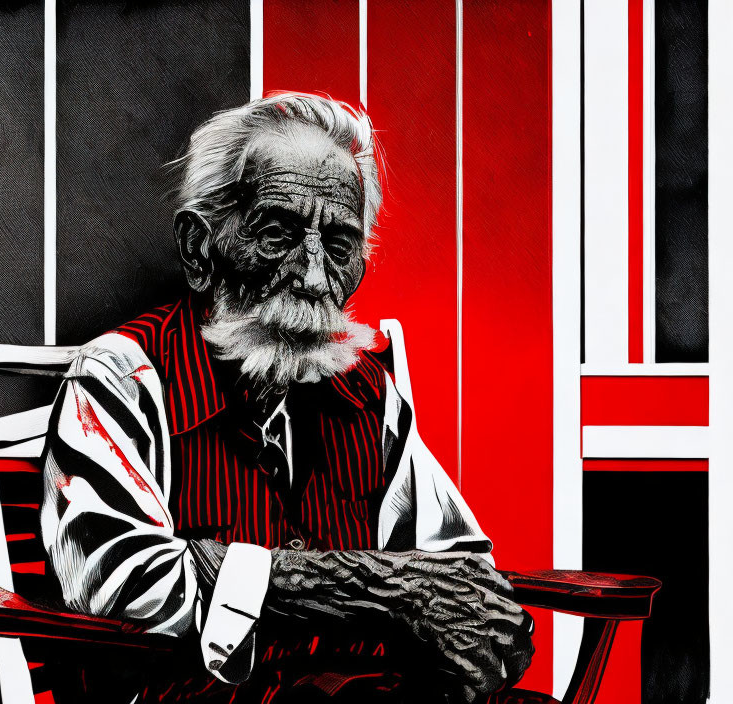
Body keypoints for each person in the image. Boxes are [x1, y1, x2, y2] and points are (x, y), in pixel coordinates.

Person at [40, 92, 533, 703]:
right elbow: (118, 576)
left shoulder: (368, 393)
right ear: (200, 249)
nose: (314, 276)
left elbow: (454, 567)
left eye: (341, 243)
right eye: (278, 233)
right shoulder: (122, 376)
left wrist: (466, 612)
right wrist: (372, 587)